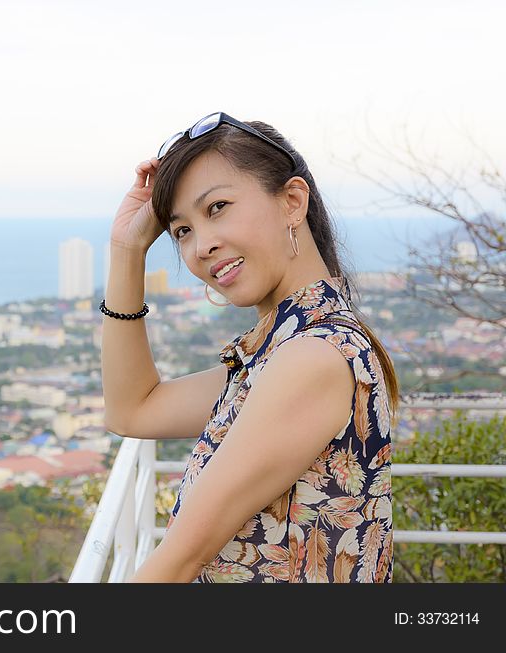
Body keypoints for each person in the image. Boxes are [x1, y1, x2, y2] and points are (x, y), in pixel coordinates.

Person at [100, 112, 399, 583]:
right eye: (182, 230)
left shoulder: (313, 357)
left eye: (217, 207)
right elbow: (132, 411)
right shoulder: (280, 353)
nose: (200, 246)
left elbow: (179, 561)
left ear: (292, 202)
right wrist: (127, 248)